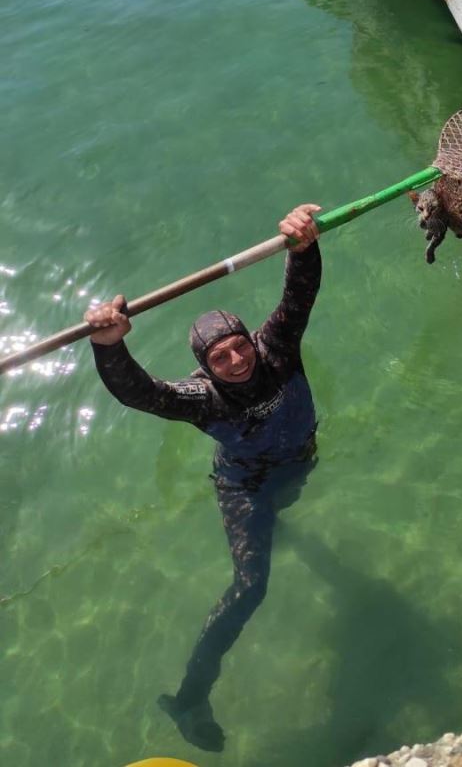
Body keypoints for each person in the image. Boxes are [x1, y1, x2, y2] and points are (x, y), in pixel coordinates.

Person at [85, 204, 323, 752]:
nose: (238, 360)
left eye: (240, 346)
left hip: (298, 461)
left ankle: (279, 525)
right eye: (221, 357)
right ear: (205, 365)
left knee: (285, 512)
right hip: (245, 486)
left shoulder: (277, 352)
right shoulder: (202, 399)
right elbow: (143, 394)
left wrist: (303, 244)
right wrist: (109, 344)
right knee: (250, 586)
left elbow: (298, 297)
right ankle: (190, 696)